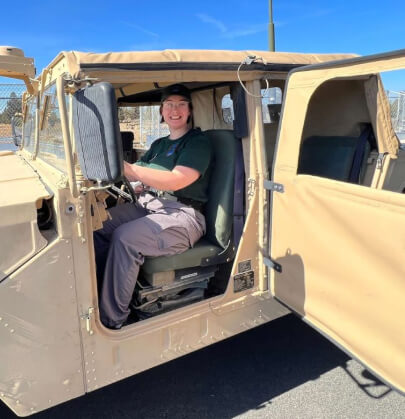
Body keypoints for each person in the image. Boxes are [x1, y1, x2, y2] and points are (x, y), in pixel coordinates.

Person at [94, 84, 213, 329]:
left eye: (181, 104)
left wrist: (132, 170)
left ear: (189, 110)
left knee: (125, 238)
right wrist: (137, 181)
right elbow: (140, 174)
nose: (174, 109)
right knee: (97, 225)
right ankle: (96, 295)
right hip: (150, 204)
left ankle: (112, 319)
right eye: (169, 104)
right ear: (162, 111)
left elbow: (179, 179)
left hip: (183, 214)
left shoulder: (198, 142)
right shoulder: (159, 144)